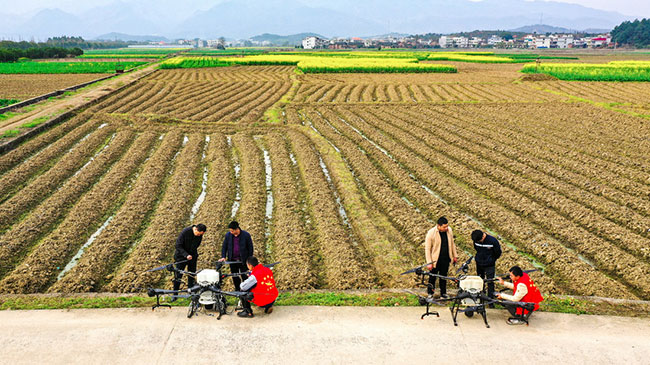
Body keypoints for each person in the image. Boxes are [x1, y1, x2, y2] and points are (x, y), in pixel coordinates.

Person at [424, 217, 458, 298]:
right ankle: (430, 293)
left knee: (443, 276)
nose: (446, 228)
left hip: (446, 258)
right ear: (438, 226)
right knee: (432, 277)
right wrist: (429, 262)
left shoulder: (449, 230)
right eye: (444, 227)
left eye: (447, 226)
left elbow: (452, 244)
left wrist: (454, 256)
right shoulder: (431, 233)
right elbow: (427, 249)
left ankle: (443, 293)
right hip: (435, 260)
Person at [172, 224, 207, 297]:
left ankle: (191, 292)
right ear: (196, 229)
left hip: (192, 257)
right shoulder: (185, 232)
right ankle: (175, 295)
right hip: (181, 257)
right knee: (178, 275)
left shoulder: (199, 235)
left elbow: (196, 245)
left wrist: (192, 255)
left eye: (201, 235)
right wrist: (186, 255)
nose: (199, 236)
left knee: (191, 275)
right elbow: (178, 245)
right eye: (199, 234)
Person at [219, 221, 254, 291]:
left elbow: (250, 247)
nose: (231, 232)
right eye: (230, 231)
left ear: (236, 229)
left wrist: (249, 259)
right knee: (235, 276)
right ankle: (237, 291)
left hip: (243, 260)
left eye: (232, 231)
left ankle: (246, 292)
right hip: (232, 260)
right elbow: (224, 246)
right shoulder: (228, 235)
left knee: (244, 276)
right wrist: (223, 256)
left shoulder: (246, 235)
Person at [471, 229, 502, 300]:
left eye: (479, 241)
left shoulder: (492, 241)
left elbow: (498, 253)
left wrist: (491, 259)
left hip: (489, 265)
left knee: (490, 281)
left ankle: (490, 299)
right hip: (479, 263)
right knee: (480, 280)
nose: (478, 242)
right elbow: (476, 249)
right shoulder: (476, 240)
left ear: (483, 237)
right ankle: (480, 296)